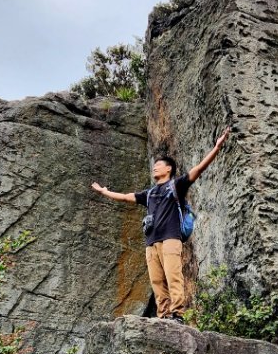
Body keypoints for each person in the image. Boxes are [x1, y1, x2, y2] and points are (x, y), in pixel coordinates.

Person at [91, 127, 231, 321]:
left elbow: (198, 169)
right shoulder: (149, 194)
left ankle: (177, 314)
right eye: (154, 165)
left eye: (159, 165)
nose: (155, 167)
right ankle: (163, 316)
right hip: (151, 242)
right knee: (157, 281)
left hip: (170, 238)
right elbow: (124, 197)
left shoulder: (176, 185)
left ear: (169, 169)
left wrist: (216, 147)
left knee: (173, 276)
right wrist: (104, 192)